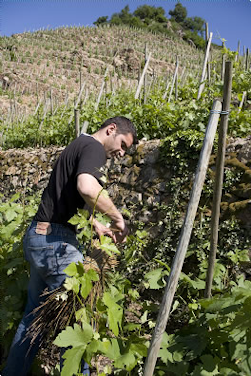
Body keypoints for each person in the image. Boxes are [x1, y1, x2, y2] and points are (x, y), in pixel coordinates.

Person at [3, 116, 138, 376]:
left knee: (34, 319)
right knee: (79, 318)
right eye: (122, 143)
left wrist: (94, 223)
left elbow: (65, 195)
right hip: (56, 244)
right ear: (111, 129)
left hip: (40, 238)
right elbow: (86, 187)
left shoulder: (80, 143)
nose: (121, 152)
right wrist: (117, 218)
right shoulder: (94, 148)